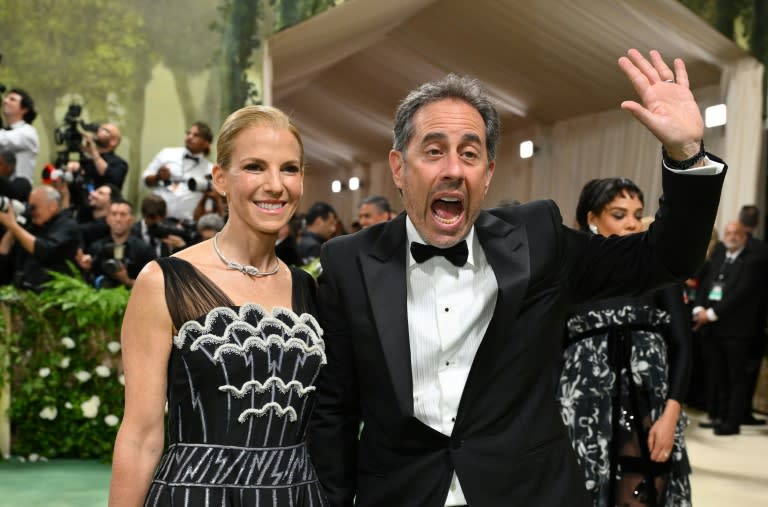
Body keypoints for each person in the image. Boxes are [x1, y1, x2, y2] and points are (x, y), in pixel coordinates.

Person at [309, 49, 726, 507]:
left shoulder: (537, 239)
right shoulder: (349, 262)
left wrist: (685, 154)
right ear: (398, 167)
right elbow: (335, 411)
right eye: (433, 151)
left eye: (469, 154)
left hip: (527, 492)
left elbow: (666, 259)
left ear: (487, 174)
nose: (452, 169)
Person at [109, 105, 328, 506]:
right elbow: (141, 436)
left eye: (290, 169)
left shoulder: (307, 287)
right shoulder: (163, 281)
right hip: (197, 495)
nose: (276, 185)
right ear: (220, 179)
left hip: (297, 496)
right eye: (255, 167)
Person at [558, 177, 692, 506]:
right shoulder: (568, 274)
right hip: (582, 414)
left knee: (644, 492)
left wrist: (671, 415)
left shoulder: (659, 272)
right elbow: (552, 353)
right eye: (619, 214)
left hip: (649, 413)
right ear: (592, 220)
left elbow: (683, 345)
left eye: (637, 213)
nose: (632, 223)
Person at [692, 221, 768, 435]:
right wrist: (698, 308)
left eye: (736, 233)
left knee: (736, 377)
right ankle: (718, 415)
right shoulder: (719, 256)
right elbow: (705, 285)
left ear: (744, 237)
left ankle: (731, 421)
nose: (732, 236)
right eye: (728, 233)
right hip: (713, 329)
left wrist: (711, 314)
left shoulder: (752, 262)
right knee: (718, 375)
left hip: (737, 332)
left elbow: (740, 294)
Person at [0, 185, 79, 291]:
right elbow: (4, 253)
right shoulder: (32, 225)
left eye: (34, 207)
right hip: (19, 291)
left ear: (53, 206)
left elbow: (45, 249)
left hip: (47, 295)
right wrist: (13, 225)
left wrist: (14, 226)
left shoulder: (67, 225)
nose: (31, 212)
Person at [142, 121, 215, 222]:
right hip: (157, 220)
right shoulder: (166, 154)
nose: (189, 137)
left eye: (196, 135)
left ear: (206, 143)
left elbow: (208, 206)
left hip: (187, 224)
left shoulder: (210, 170)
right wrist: (158, 176)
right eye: (188, 133)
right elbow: (145, 181)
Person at [76, 199, 155, 289]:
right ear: (107, 219)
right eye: (113, 214)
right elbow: (87, 284)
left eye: (123, 215)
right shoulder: (96, 247)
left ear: (132, 219)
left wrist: (127, 281)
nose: (118, 219)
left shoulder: (144, 250)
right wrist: (87, 269)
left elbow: (151, 287)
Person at [0, 88, 39, 183]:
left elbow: (4, 139)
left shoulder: (28, 132)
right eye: (5, 98)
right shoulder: (5, 131)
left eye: (12, 99)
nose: (5, 101)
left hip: (18, 194)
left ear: (24, 109)